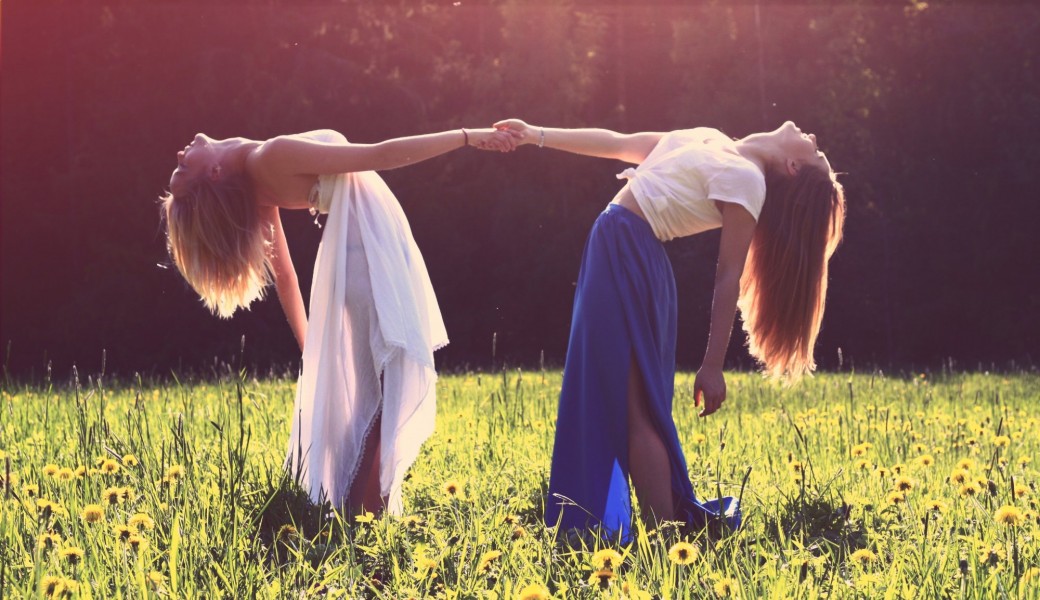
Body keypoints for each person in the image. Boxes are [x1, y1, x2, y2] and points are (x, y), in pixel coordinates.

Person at [493, 118, 846, 540]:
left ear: (792, 166)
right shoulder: (715, 139)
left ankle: (667, 538)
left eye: (816, 153)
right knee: (628, 403)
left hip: (629, 253)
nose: (813, 137)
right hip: (618, 246)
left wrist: (713, 365)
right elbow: (618, 140)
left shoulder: (747, 181)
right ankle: (665, 532)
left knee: (634, 409)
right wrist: (536, 135)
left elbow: (728, 276)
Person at [161, 126, 517, 515]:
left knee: (376, 397)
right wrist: (466, 136)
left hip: (367, 260)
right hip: (370, 265)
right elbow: (382, 152)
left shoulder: (258, 175)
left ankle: (359, 509)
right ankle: (364, 512)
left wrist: (312, 350)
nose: (178, 158)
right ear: (214, 172)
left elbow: (286, 277)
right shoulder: (271, 157)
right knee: (381, 397)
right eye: (182, 171)